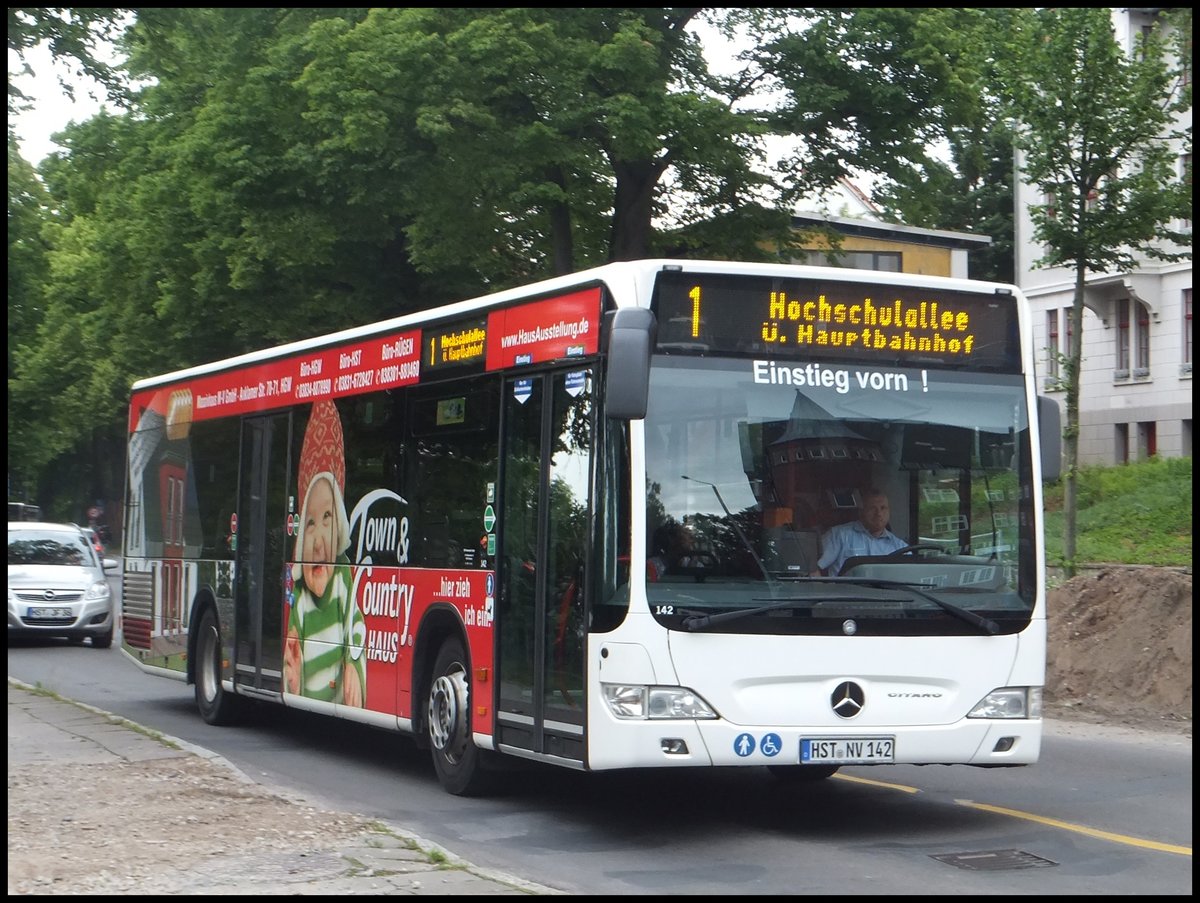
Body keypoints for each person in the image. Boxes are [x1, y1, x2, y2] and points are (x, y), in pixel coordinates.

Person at [283, 399, 367, 707]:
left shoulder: (344, 576)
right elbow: (294, 639)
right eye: (310, 523)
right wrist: (293, 664)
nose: (318, 542)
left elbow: (356, 625)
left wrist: (353, 665)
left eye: (328, 518)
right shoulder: (300, 595)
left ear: (341, 528)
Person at [811, 488, 907, 577]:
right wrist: (822, 589)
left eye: (883, 508)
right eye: (872, 508)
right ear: (861, 511)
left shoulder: (900, 547)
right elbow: (810, 567)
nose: (879, 513)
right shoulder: (839, 536)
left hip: (888, 595)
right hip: (845, 593)